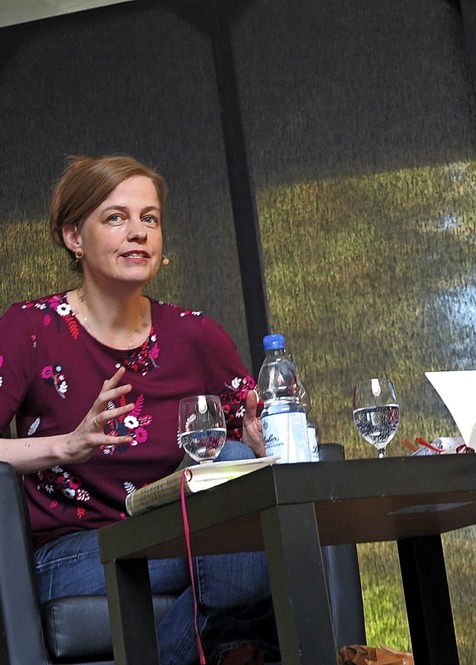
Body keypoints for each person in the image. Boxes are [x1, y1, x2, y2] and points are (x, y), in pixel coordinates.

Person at [0, 155, 279, 665]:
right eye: (116, 218)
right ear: (73, 238)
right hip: (74, 553)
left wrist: (267, 446)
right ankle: (235, 648)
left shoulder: (196, 334)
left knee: (237, 472)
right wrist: (68, 444)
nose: (139, 233)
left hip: (181, 530)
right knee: (251, 557)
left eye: (149, 219)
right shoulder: (29, 328)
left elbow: (256, 440)